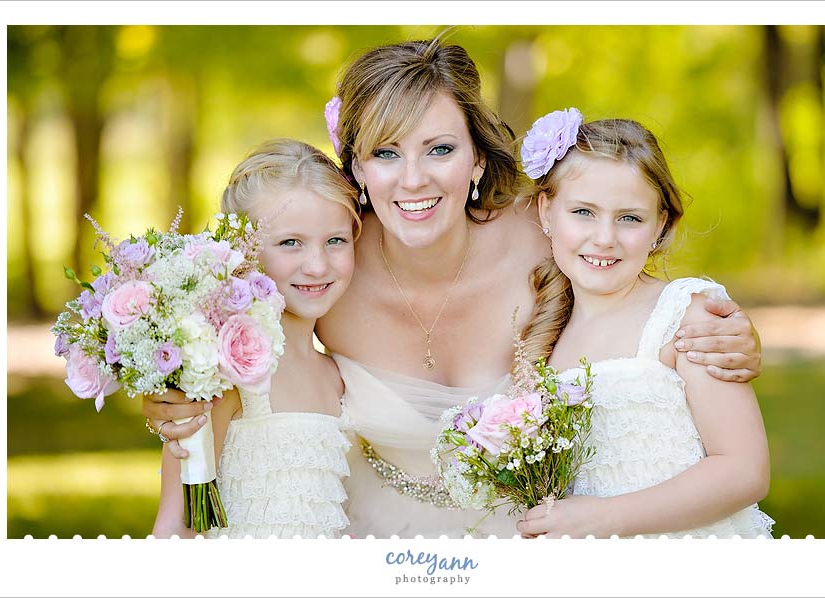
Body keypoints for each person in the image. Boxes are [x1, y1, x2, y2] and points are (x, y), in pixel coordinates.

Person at [144, 36, 763, 538]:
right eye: (386, 153)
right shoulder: (324, 268)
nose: (413, 180)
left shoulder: (544, 235)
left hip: (539, 538)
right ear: (356, 168)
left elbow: (632, 285)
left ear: (477, 158)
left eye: (439, 149)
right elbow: (207, 348)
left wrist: (728, 332)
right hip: (371, 540)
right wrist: (170, 394)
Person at [515, 111, 774, 538]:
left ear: (660, 225)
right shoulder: (546, 332)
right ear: (546, 211)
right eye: (583, 212)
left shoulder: (683, 317)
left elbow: (745, 470)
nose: (604, 238)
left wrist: (603, 519)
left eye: (629, 218)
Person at [151, 139, 361, 538]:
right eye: (290, 243)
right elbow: (175, 525)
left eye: (336, 240)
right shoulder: (223, 379)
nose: (317, 265)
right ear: (243, 251)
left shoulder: (337, 374)